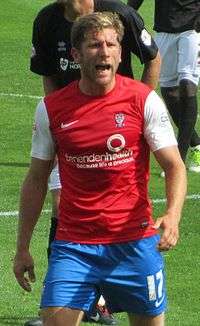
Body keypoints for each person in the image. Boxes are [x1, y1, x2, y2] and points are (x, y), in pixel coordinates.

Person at [13, 11, 187, 326]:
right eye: (94, 45)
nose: (104, 51)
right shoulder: (51, 109)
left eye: (111, 44)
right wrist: (22, 247)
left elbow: (174, 166)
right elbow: (36, 179)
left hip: (134, 243)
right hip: (74, 246)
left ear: (121, 53)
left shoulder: (143, 101)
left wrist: (173, 216)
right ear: (77, 54)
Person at [128, 0, 200, 173]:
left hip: (192, 29)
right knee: (169, 92)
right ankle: (196, 144)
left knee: (187, 84)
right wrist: (125, 14)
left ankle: (179, 159)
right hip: (164, 29)